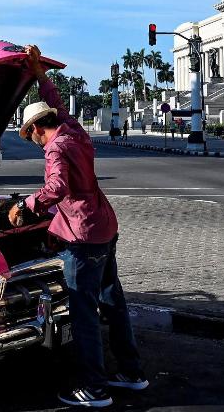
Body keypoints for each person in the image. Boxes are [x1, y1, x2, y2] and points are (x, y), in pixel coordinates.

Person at [9, 45, 146, 408]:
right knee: (112, 300)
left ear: (38, 128)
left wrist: (26, 205)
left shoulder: (55, 148)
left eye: (30, 135)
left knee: (84, 311)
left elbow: (56, 189)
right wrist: (39, 72)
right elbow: (55, 100)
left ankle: (94, 388)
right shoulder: (75, 130)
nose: (34, 142)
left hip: (83, 235)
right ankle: (132, 373)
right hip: (104, 225)